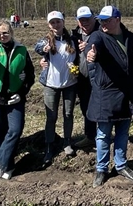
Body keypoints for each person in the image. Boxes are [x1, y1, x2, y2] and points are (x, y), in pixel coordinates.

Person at [84, 6, 133, 187]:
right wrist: (90, 54)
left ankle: (121, 165)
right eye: (101, 20)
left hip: (126, 94)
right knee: (102, 135)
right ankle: (101, 169)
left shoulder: (130, 38)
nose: (103, 23)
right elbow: (91, 47)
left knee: (123, 133)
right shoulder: (98, 36)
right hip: (106, 95)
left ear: (117, 19)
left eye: (106, 20)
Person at [0, 20, 35, 180]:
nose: (2, 36)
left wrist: (22, 92)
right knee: (0, 132)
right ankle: (8, 166)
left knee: (16, 129)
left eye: (5, 33)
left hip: (15, 96)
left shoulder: (22, 50)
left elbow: (30, 75)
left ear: (11, 32)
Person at [35, 11, 79, 164]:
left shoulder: (72, 40)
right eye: (52, 22)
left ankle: (67, 142)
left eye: (58, 21)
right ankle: (49, 146)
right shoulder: (46, 40)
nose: (55, 25)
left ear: (63, 22)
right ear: (49, 25)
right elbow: (38, 48)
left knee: (68, 113)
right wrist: (43, 52)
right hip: (51, 84)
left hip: (70, 84)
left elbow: (80, 54)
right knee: (51, 117)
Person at [71, 6, 100, 149]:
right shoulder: (74, 35)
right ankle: (90, 137)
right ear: (77, 21)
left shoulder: (102, 31)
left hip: (100, 79)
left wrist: (90, 46)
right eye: (81, 20)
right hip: (82, 79)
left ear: (94, 18)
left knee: (101, 108)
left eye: (87, 19)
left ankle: (103, 138)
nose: (85, 22)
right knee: (86, 108)